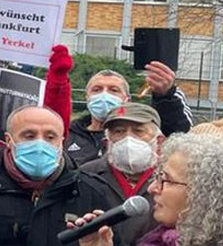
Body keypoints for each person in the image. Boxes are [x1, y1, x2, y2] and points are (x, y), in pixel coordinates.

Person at [0, 105, 112, 246]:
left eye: (50, 137)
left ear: (62, 142)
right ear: (8, 140)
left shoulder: (91, 190)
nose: (40, 144)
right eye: (29, 136)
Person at [73, 133, 223, 246]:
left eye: (166, 180)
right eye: (157, 177)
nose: (152, 188)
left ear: (206, 192)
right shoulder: (157, 240)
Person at [66, 63, 192, 167]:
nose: (104, 95)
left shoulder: (141, 134)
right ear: (87, 97)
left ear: (127, 99)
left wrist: (165, 96)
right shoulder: (68, 134)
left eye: (113, 90)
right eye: (97, 90)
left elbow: (178, 134)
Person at [80, 103, 164, 246]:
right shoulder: (86, 175)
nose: (128, 139)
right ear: (107, 141)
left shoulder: (173, 180)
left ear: (159, 140)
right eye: (119, 131)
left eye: (138, 131)